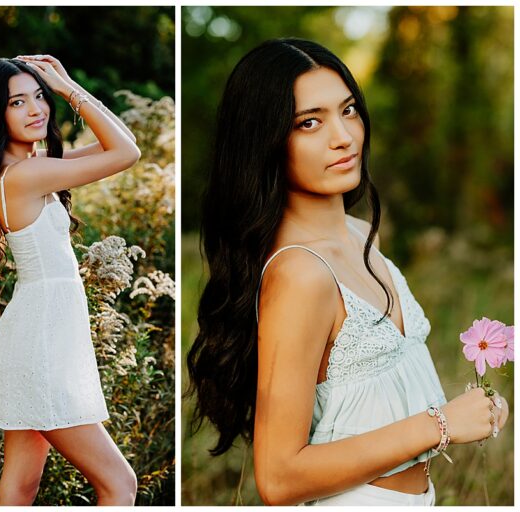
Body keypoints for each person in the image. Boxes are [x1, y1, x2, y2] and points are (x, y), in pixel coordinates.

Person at [185, 38, 510, 506]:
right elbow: (278, 479)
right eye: (309, 122)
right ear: (265, 140)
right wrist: (440, 425)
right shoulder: (300, 274)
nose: (343, 136)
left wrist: (474, 411)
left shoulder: (361, 234)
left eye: (349, 110)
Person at [0, 55, 141, 505]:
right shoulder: (26, 176)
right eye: (18, 102)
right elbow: (128, 153)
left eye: (39, 96)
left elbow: (117, 145)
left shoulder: (26, 169)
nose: (37, 108)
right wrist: (68, 89)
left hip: (36, 341)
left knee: (20, 489)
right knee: (120, 483)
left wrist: (65, 85)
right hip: (39, 348)